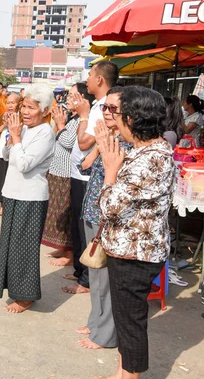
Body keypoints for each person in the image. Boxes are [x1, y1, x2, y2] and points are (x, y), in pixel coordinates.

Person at [98, 86, 175, 379]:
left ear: (132, 119)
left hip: (136, 253)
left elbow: (109, 206)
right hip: (129, 248)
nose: (112, 118)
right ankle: (122, 372)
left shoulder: (151, 158)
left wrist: (109, 171)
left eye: (117, 113)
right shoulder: (144, 151)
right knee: (125, 317)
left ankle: (130, 376)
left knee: (130, 321)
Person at [76, 87, 132, 351]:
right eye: (105, 108)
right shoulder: (108, 137)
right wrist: (98, 147)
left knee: (106, 280)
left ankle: (105, 334)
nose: (106, 113)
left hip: (108, 217)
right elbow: (84, 166)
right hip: (92, 211)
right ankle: (96, 322)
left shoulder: (128, 143)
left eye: (112, 109)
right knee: (95, 273)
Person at [0, 83, 55, 313]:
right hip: (13, 193)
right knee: (10, 246)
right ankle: (14, 289)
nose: (25, 112)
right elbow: (6, 155)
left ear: (45, 110)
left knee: (25, 248)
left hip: (31, 197)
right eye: (24, 107)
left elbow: (24, 164)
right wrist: (13, 137)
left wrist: (17, 137)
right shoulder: (26, 129)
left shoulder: (45, 133)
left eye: (31, 108)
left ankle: (26, 296)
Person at [67, 61, 119, 295]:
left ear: (99, 79)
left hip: (95, 179)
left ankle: (86, 280)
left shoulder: (102, 108)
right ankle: (83, 273)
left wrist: (84, 116)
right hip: (85, 171)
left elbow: (84, 142)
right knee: (82, 229)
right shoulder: (99, 105)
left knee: (92, 235)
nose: (86, 79)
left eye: (89, 75)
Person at [41, 84, 89, 267]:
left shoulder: (82, 120)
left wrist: (61, 124)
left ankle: (69, 254)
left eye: (73, 96)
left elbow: (69, 142)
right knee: (56, 213)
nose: (68, 99)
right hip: (57, 170)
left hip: (67, 173)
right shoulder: (72, 117)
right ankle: (62, 247)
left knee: (65, 213)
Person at [0, 92, 21, 217]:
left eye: (13, 102)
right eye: (8, 102)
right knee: (1, 181)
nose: (10, 105)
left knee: (14, 182)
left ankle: (14, 208)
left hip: (15, 154)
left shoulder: (22, 117)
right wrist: (4, 125)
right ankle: (2, 207)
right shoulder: (2, 116)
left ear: (19, 103)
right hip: (2, 154)